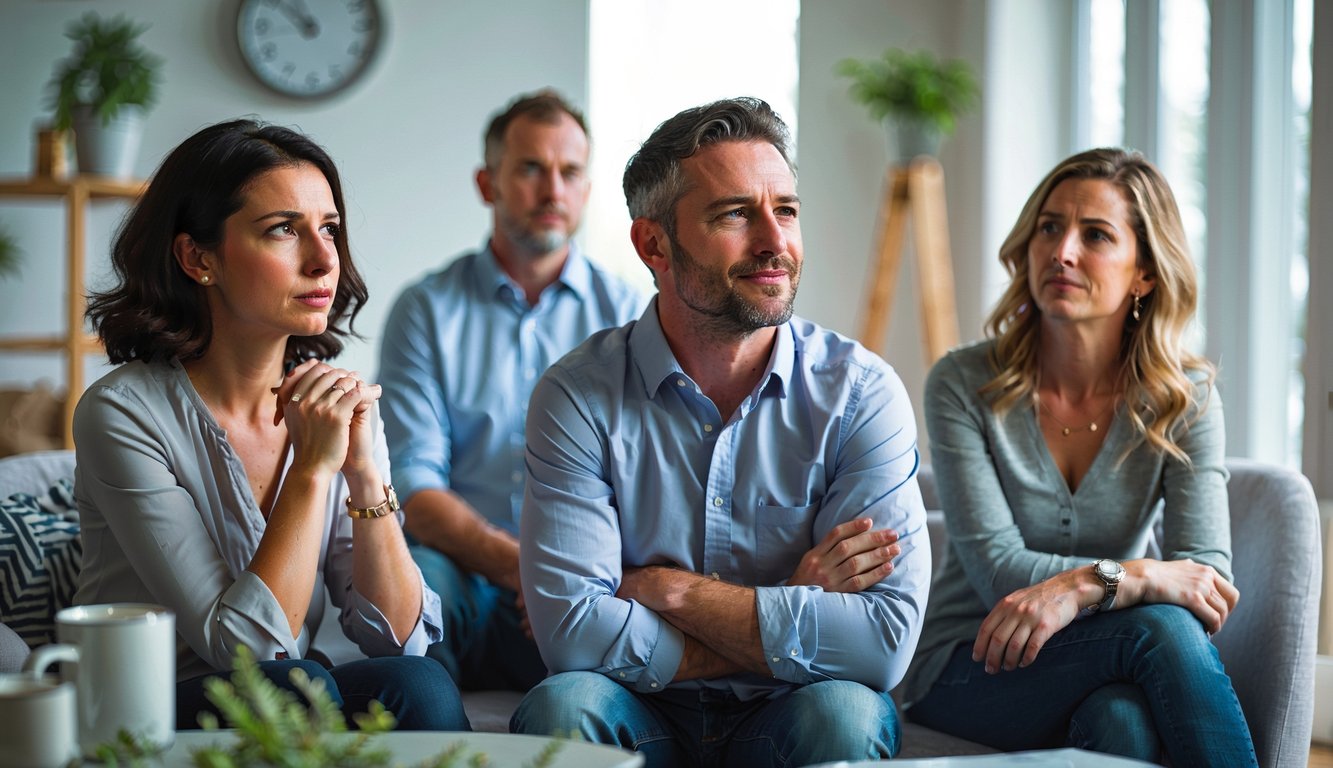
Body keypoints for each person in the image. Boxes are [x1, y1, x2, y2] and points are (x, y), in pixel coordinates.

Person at [511, 97, 929, 768]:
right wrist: (791, 602)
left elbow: (881, 644)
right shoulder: (577, 395)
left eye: (785, 210)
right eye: (734, 214)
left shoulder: (861, 393)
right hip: (635, 706)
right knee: (563, 705)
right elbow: (572, 640)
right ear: (653, 245)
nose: (774, 242)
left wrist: (670, 590)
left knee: (847, 711)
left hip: (792, 709)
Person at [72, 119, 469, 731]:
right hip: (149, 707)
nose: (323, 260)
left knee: (419, 681)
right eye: (283, 229)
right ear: (198, 257)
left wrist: (364, 472)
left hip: (289, 688)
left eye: (330, 229)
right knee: (292, 686)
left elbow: (401, 637)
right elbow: (246, 652)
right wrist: (311, 470)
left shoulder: (333, 402)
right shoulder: (122, 414)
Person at [899, 148, 1257, 766]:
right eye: (1049, 227)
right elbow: (999, 573)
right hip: (970, 662)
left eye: (1095, 235)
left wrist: (1082, 589)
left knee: (1121, 723)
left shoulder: (1185, 398)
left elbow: (1206, 579)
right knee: (1161, 629)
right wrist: (1133, 575)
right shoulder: (962, 383)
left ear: (1144, 272)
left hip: (1104, 654)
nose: (1062, 251)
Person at [377, 90, 645, 691]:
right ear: (486, 183)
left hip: (589, 577)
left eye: (570, 172)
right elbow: (416, 489)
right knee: (414, 583)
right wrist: (522, 568)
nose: (553, 191)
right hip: (463, 574)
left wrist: (567, 578)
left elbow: (648, 487)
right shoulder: (425, 310)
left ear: (586, 187)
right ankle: (429, 726)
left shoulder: (632, 317)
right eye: (530, 168)